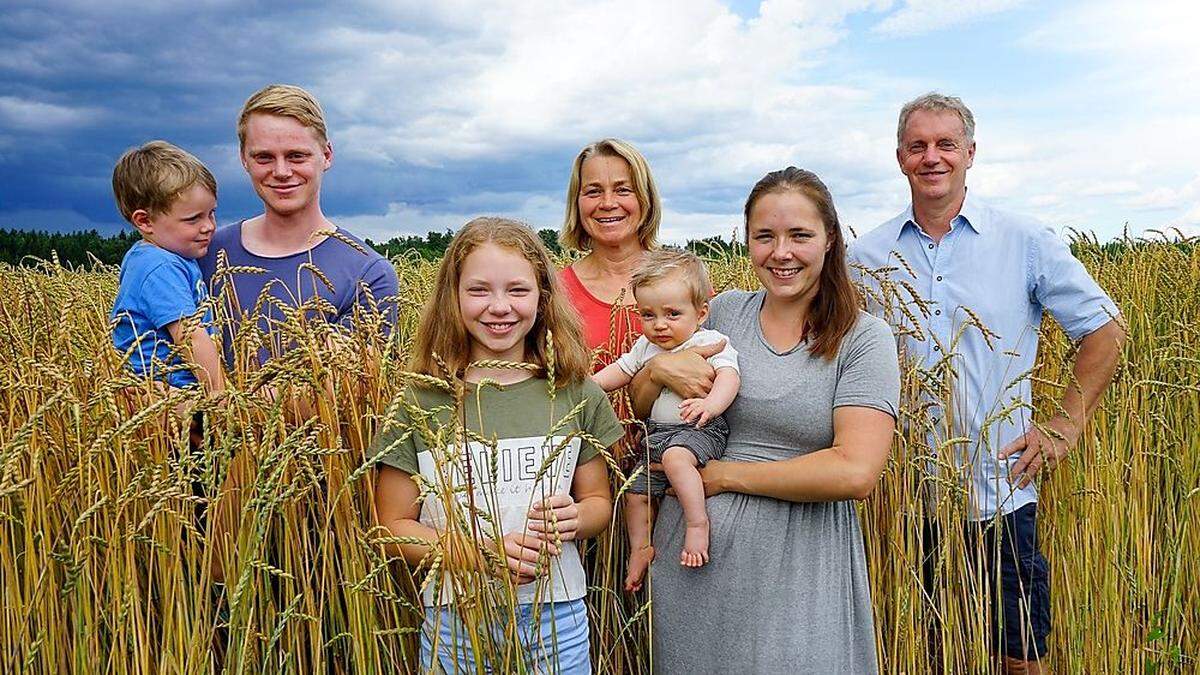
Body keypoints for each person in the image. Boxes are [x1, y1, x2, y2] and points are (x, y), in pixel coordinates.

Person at [848, 92, 1125, 672]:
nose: (932, 157)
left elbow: (1104, 329)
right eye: (918, 146)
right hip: (901, 500)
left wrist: (1066, 423)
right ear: (899, 157)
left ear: (971, 153)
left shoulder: (1025, 241)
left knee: (1018, 656)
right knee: (915, 652)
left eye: (946, 144)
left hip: (1000, 490)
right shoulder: (864, 256)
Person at [631, 168, 901, 672]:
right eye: (765, 236)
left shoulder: (863, 339)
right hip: (696, 565)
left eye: (800, 235)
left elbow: (855, 472)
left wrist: (727, 477)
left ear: (830, 240)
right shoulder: (725, 313)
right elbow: (648, 408)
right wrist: (656, 367)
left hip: (801, 567)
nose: (782, 252)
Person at [371, 217, 624, 673]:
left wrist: (577, 517)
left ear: (543, 297)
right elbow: (392, 526)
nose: (500, 307)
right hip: (456, 616)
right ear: (453, 297)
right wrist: (483, 554)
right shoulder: (421, 398)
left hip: (557, 613)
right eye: (480, 290)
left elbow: (599, 503)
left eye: (518, 290)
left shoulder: (573, 391)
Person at [199, 84, 398, 366]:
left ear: (326, 155)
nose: (281, 172)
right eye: (264, 157)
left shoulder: (369, 275)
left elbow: (346, 389)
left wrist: (221, 401)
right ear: (244, 159)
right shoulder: (206, 254)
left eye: (296, 156)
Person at [591, 249, 739, 588]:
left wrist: (711, 406)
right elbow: (621, 371)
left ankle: (697, 525)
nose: (659, 324)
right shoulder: (646, 346)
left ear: (701, 313)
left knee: (675, 459)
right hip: (656, 434)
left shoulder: (711, 341)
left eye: (672, 314)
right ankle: (640, 548)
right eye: (648, 314)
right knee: (634, 491)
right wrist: (590, 387)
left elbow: (730, 377)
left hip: (699, 429)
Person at [110, 140, 224, 396]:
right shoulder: (158, 266)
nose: (209, 226)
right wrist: (220, 397)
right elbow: (189, 336)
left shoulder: (171, 256)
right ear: (145, 221)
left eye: (211, 213)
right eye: (193, 218)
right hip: (169, 393)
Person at [559, 138, 663, 363]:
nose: (607, 203)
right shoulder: (554, 293)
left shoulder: (684, 278)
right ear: (577, 203)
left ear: (646, 199)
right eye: (593, 192)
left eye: (623, 190)